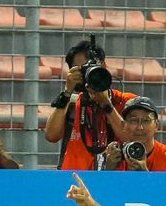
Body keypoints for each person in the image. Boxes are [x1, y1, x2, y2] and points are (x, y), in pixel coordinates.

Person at [44, 39, 136, 170]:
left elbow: (134, 138)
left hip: (116, 182)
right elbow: (51, 136)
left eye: (91, 67)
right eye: (82, 70)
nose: (88, 74)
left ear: (103, 66)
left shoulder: (126, 101)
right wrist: (67, 92)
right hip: (75, 182)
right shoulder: (71, 104)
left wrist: (106, 104)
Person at [104, 96, 166, 172]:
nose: (140, 127)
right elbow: (99, 189)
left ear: (156, 125)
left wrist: (144, 174)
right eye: (134, 120)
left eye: (146, 121)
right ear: (123, 125)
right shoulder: (113, 158)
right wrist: (107, 171)